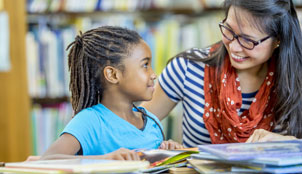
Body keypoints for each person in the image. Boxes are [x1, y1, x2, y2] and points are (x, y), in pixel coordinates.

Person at [142, 0, 302, 147]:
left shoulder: (297, 77)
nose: (234, 47)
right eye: (229, 30)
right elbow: (130, 129)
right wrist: (161, 148)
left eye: (248, 40)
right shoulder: (187, 68)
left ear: (278, 39)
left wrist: (293, 144)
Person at [41, 26, 182, 161]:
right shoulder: (91, 121)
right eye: (145, 65)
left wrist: (168, 151)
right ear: (113, 74)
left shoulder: (152, 122)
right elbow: (47, 160)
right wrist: (105, 159)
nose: (153, 75)